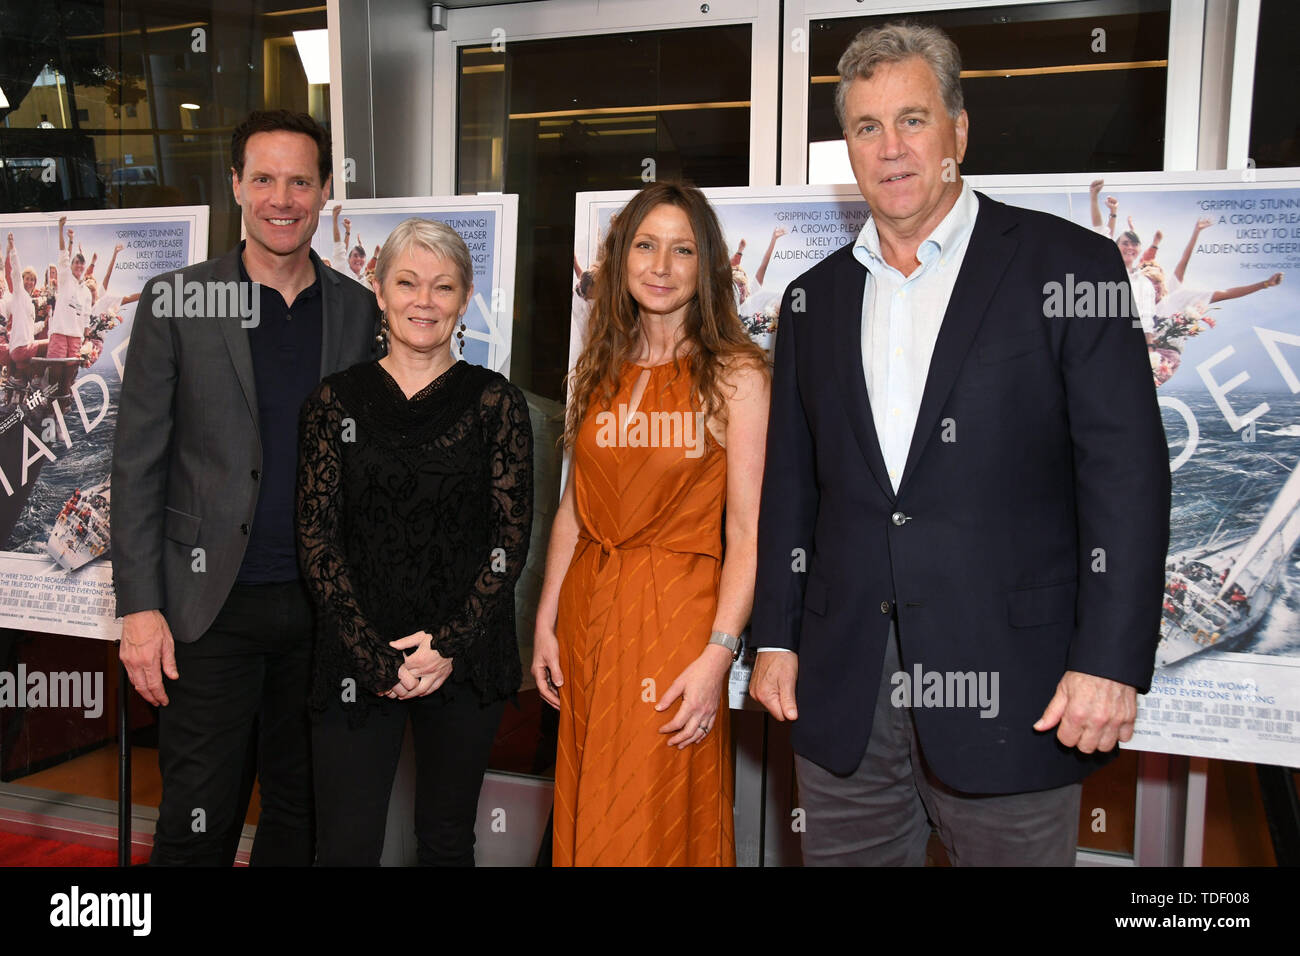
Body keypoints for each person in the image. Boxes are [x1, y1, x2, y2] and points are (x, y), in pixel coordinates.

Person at [749, 22, 1170, 866]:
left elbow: (1126, 476)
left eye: (913, 119)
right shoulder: (812, 300)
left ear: (959, 132)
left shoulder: (1070, 267)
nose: (891, 147)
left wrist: (1111, 662)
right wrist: (776, 637)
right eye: (867, 127)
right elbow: (792, 486)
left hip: (1019, 690)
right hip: (842, 695)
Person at [112, 109, 379, 866]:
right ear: (236, 185)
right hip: (207, 610)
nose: (281, 198)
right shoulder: (182, 302)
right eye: (263, 178)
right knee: (200, 814)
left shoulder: (355, 309)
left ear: (326, 191)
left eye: (300, 180)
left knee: (302, 814)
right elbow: (135, 465)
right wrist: (138, 608)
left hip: (322, 610)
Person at [532, 181, 770, 866]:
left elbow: (750, 533)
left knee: (645, 820)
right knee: (588, 810)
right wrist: (546, 623)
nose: (660, 266)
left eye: (682, 249)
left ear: (707, 266)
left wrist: (719, 655)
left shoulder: (736, 375)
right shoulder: (598, 365)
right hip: (587, 613)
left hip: (674, 623)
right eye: (645, 245)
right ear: (620, 257)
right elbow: (574, 511)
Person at [297, 217, 533, 866]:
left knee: (448, 840)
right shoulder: (333, 403)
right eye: (407, 282)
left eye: (443, 286)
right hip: (353, 653)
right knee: (344, 845)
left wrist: (448, 646)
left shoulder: (496, 403)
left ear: (464, 299)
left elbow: (509, 539)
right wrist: (372, 655)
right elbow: (317, 539)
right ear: (379, 289)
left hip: (463, 652)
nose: (423, 301)